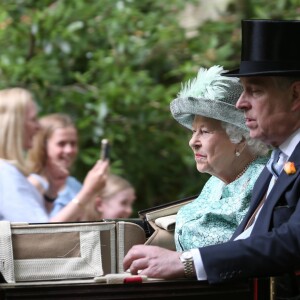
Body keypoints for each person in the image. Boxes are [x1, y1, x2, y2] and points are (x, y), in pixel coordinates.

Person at [123, 19, 300, 292]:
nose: (241, 103)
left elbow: (291, 241)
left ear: (296, 94)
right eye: (242, 90)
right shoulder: (278, 163)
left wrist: (187, 262)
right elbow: (251, 239)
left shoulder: (276, 165)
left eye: (255, 90)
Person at [171, 65, 269, 250]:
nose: (193, 142)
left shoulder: (263, 179)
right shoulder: (215, 184)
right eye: (193, 132)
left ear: (240, 138)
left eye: (205, 132)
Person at [0, 87, 109, 223]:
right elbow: (41, 235)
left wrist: (51, 194)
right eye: (33, 119)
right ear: (15, 125)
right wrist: (88, 192)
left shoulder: (11, 173)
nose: (38, 126)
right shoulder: (5, 174)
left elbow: (35, 224)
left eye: (73, 143)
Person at [27, 113, 83, 217]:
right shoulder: (33, 185)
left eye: (73, 144)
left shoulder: (75, 185)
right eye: (61, 144)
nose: (69, 150)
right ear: (43, 146)